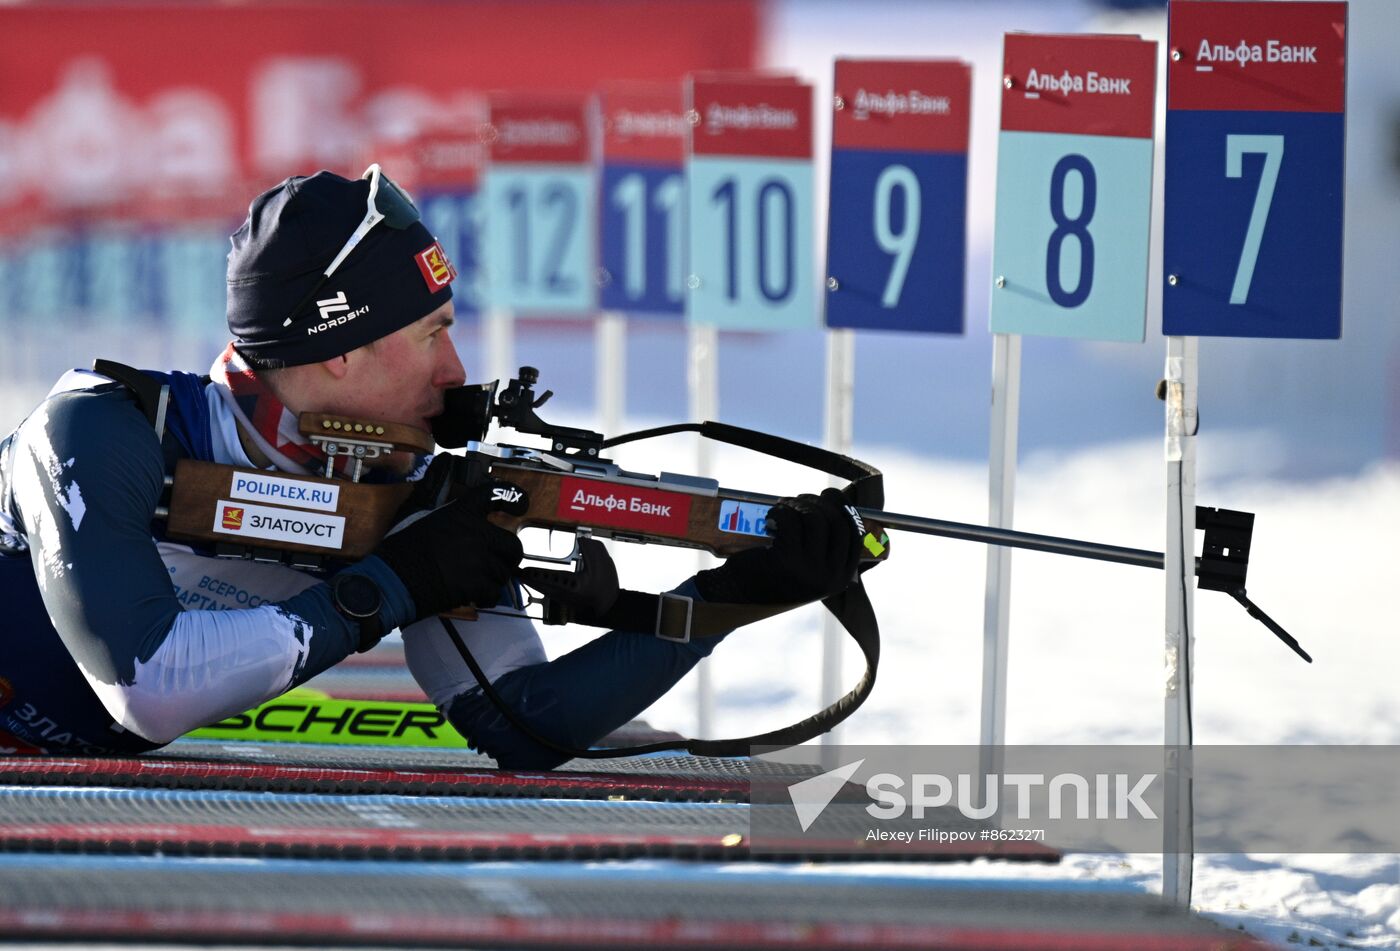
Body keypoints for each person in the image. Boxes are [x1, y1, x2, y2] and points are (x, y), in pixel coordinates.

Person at [0, 166, 866, 768]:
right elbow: (149, 687)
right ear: (339, 349)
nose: (456, 370)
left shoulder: (408, 487)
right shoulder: (98, 431)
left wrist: (728, 596)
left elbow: (524, 722)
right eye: (431, 332)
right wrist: (385, 588)